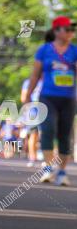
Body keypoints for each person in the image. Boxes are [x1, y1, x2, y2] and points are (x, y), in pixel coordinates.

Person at [25, 16, 77, 186]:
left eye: (72, 29)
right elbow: (35, 74)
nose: (70, 32)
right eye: (67, 29)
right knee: (47, 130)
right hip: (47, 97)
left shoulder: (74, 50)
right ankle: (47, 169)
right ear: (56, 31)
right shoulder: (44, 50)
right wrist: (27, 95)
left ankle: (62, 172)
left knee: (65, 134)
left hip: (68, 99)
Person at [20, 75, 43, 166]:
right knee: (33, 135)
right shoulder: (28, 82)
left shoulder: (48, 80)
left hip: (47, 111)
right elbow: (23, 98)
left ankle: (46, 159)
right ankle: (32, 158)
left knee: (44, 134)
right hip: (32, 113)